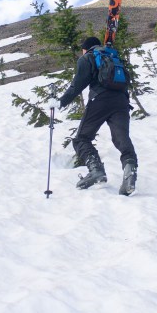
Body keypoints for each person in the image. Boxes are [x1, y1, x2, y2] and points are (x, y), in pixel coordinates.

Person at [57, 36, 138, 195]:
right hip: (121, 102)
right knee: (122, 139)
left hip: (100, 100)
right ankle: (130, 172)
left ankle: (96, 170)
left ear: (85, 48)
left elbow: (77, 85)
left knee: (82, 139)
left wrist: (60, 102)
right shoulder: (113, 56)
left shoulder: (88, 57)